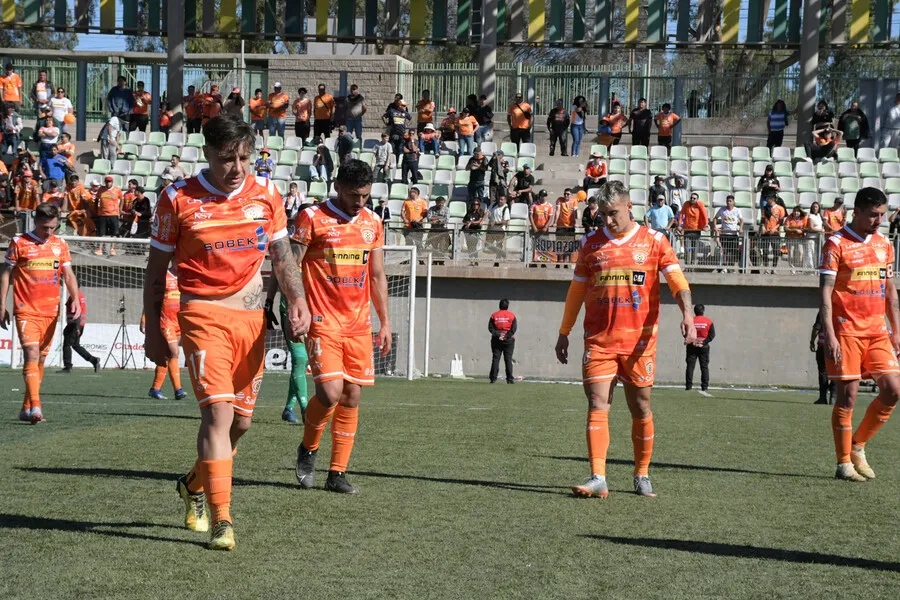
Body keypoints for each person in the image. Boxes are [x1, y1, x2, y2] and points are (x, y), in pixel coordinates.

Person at [146, 114, 307, 550]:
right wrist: (152, 328)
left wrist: (297, 300)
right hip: (202, 316)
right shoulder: (177, 198)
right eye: (226, 159)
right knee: (216, 415)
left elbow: (282, 253)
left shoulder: (268, 193)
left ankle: (193, 485)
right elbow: (157, 269)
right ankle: (223, 521)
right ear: (207, 154)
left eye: (243, 157)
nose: (236, 168)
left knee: (241, 423)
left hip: (252, 320)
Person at [556, 180, 696, 499]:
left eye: (613, 213)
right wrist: (564, 331)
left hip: (639, 343)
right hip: (599, 341)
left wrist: (687, 314)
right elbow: (576, 290)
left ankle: (641, 474)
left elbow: (677, 280)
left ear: (629, 207)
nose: (607, 220)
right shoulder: (590, 244)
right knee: (597, 402)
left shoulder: (654, 241)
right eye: (602, 214)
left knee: (641, 407)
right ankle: (598, 476)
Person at [291, 159, 391, 496]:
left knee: (351, 395)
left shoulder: (373, 223)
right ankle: (308, 449)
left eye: (364, 195)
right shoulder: (312, 218)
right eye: (353, 195)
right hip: (322, 321)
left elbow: (377, 276)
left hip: (358, 323)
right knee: (330, 392)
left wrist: (385, 322)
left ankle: (337, 473)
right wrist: (296, 306)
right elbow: (292, 265)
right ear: (337, 187)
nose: (359, 202)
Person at [819, 186, 900, 482]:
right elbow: (825, 292)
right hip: (846, 331)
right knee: (848, 397)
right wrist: (829, 332)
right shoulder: (836, 243)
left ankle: (858, 446)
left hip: (878, 331)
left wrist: (897, 332)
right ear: (857, 212)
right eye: (872, 215)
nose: (878, 221)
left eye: (881, 215)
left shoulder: (885, 245)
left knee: (893, 390)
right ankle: (843, 463)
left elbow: (890, 292)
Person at [1, 203, 82, 424]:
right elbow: (6, 274)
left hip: (51, 311)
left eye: (53, 227)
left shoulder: (60, 244)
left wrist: (75, 299)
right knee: (31, 354)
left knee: (40, 360)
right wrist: (1, 305)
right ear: (36, 221)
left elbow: (69, 274)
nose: (49, 232)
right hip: (26, 309)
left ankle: (26, 407)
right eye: (46, 227)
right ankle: (36, 407)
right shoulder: (19, 242)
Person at [141, 267, 187, 400]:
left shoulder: (186, 276)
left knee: (169, 355)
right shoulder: (164, 276)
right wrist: (144, 318)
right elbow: (151, 298)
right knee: (174, 352)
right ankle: (178, 389)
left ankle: (157, 389)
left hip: (179, 321)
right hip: (165, 321)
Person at [58, 290, 100, 374]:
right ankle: (93, 360)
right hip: (78, 325)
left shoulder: (75, 296)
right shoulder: (79, 295)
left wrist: (76, 327)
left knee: (66, 345)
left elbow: (78, 312)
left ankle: (68, 367)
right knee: (75, 345)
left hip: (74, 325)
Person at [685, 305, 715, 392]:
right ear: (703, 311)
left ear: (694, 311)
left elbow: (686, 333)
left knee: (690, 366)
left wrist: (692, 341)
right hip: (704, 347)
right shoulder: (709, 321)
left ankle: (688, 386)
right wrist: (703, 342)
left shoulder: (691, 321)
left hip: (691, 346)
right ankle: (704, 387)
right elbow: (712, 335)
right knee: (704, 367)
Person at [93, 175, 123, 255]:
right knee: (102, 232)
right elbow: (96, 199)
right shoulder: (101, 190)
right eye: (107, 181)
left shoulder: (117, 190)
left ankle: (112, 249)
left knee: (114, 232)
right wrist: (97, 210)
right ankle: (100, 249)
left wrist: (120, 209)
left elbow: (122, 199)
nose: (108, 183)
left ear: (112, 182)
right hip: (103, 214)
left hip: (113, 214)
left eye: (110, 182)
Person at [810, 311, 836, 405]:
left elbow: (817, 327)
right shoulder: (842, 310)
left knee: (823, 371)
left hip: (823, 345)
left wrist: (812, 341)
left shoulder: (823, 311)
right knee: (836, 371)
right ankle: (833, 397)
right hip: (838, 346)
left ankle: (823, 397)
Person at [488, 299, 517, 384]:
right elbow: (513, 329)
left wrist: (498, 335)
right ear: (507, 306)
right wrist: (506, 336)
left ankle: (493, 378)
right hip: (509, 340)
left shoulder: (494, 315)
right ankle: (510, 379)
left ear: (499, 306)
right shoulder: (512, 315)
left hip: (496, 340)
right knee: (508, 359)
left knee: (496, 359)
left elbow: (490, 328)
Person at [678, 192, 709, 267]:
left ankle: (693, 264)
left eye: (694, 198)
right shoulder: (686, 204)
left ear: (697, 199)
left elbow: (704, 215)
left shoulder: (699, 204)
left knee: (695, 248)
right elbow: (681, 214)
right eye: (691, 198)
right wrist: (679, 224)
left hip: (696, 230)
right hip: (687, 230)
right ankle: (687, 264)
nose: (692, 199)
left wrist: (706, 225)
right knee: (688, 248)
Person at [712, 195, 743, 270]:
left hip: (734, 234)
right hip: (724, 233)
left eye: (730, 201)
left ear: (733, 202)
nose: (728, 203)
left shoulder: (737, 210)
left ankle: (731, 266)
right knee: (724, 251)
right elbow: (715, 218)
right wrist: (715, 227)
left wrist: (741, 228)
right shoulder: (722, 210)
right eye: (727, 201)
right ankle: (724, 267)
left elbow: (741, 220)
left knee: (733, 251)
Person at [757, 197, 785, 272]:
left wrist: (774, 228)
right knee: (765, 251)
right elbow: (762, 218)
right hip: (766, 233)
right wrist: (762, 226)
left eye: (768, 199)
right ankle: (766, 268)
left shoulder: (780, 208)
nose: (767, 200)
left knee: (776, 251)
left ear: (773, 199)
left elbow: (781, 221)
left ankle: (774, 268)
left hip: (775, 233)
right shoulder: (764, 208)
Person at [784, 205, 808, 270]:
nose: (796, 213)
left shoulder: (803, 218)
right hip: (790, 238)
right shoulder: (789, 218)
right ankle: (792, 268)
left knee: (800, 253)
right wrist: (794, 230)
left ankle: (799, 268)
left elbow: (806, 228)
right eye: (794, 211)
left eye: (798, 211)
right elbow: (785, 228)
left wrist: (802, 231)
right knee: (791, 254)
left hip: (800, 239)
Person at [805, 201, 825, 269]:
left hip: (819, 236)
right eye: (813, 207)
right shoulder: (811, 216)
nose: (815, 208)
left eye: (816, 207)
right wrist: (821, 230)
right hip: (812, 236)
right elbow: (811, 227)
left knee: (817, 252)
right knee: (810, 252)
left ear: (819, 208)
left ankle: (817, 266)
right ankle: (810, 268)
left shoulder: (819, 215)